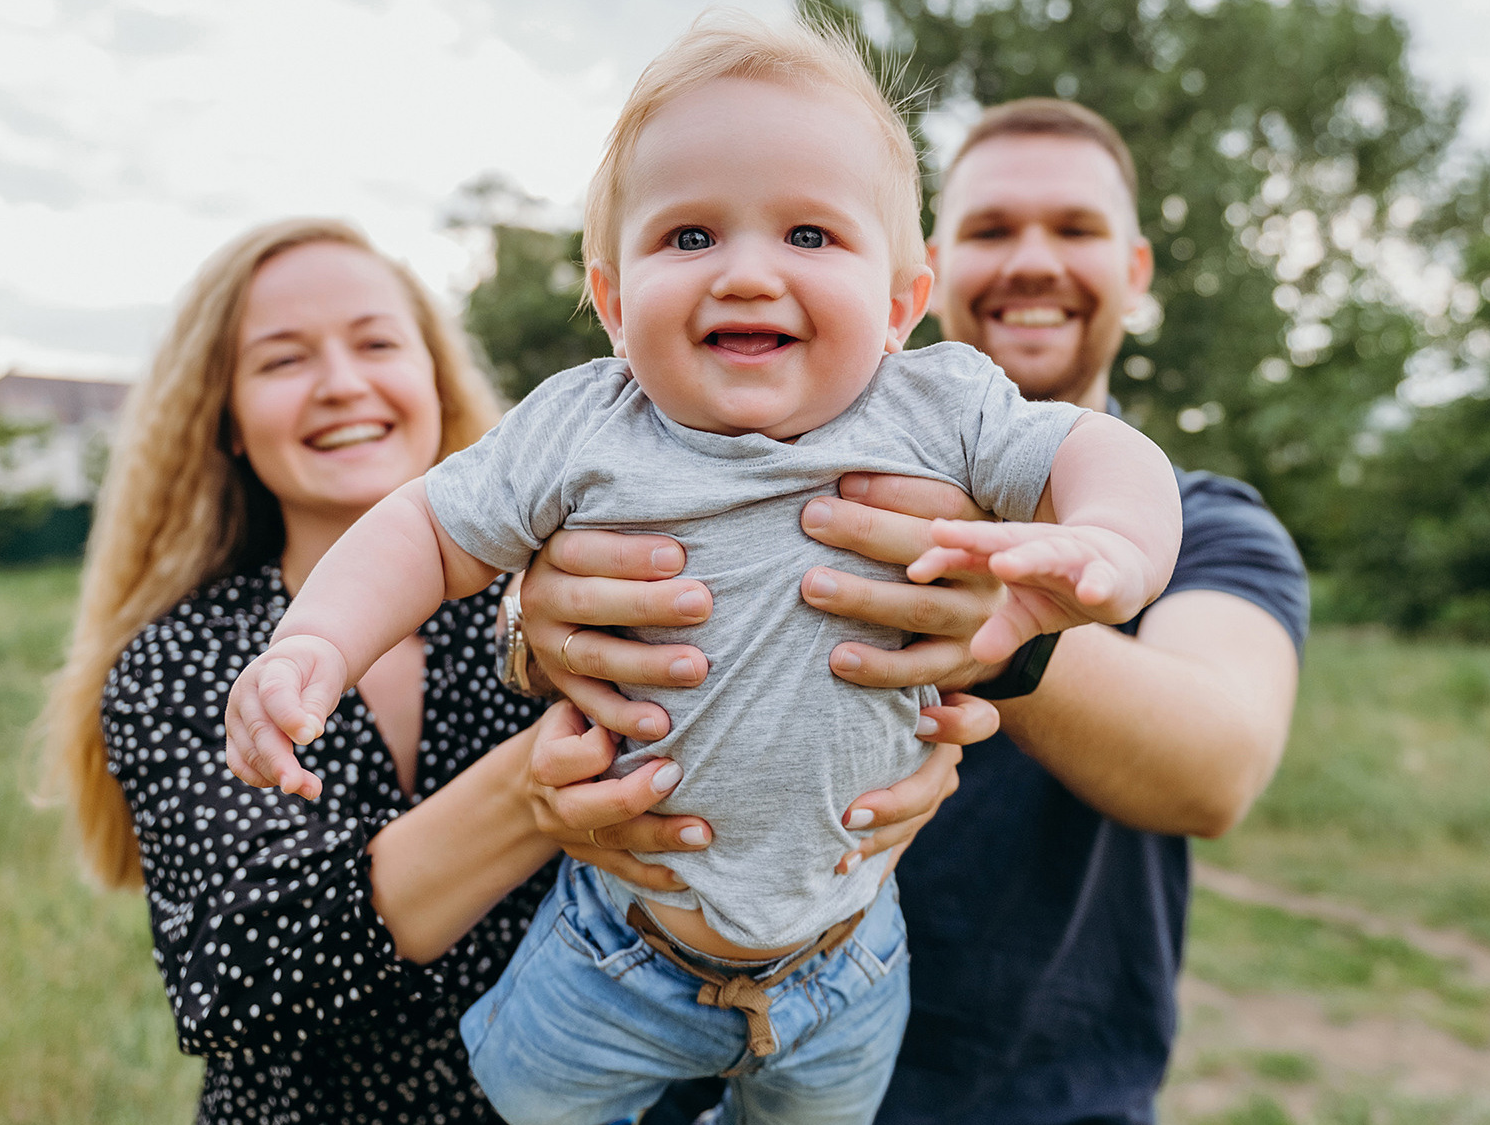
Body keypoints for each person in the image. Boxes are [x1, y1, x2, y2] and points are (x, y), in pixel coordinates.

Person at [223, 23, 1181, 1125]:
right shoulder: (583, 429)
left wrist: (1113, 541)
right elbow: (423, 531)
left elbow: (1096, 452)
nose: (745, 272)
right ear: (615, 299)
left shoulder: (940, 412)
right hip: (617, 946)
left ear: (898, 299)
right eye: (687, 236)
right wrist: (314, 643)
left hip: (845, 958)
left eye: (810, 233)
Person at [36, 217, 967, 1125]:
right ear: (228, 419)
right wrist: (531, 793)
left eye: (377, 343)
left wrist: (892, 748)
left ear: (436, 381)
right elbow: (232, 981)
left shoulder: (594, 579)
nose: (342, 383)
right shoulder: (187, 657)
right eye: (283, 359)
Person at [526, 98, 1310, 1123]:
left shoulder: (1199, 521)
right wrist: (529, 633)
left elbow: (1216, 770)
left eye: (1073, 229)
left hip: (1034, 1095)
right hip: (706, 1066)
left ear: (1135, 270)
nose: (1030, 260)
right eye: (991, 230)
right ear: (922, 273)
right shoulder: (715, 459)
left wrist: (990, 632)